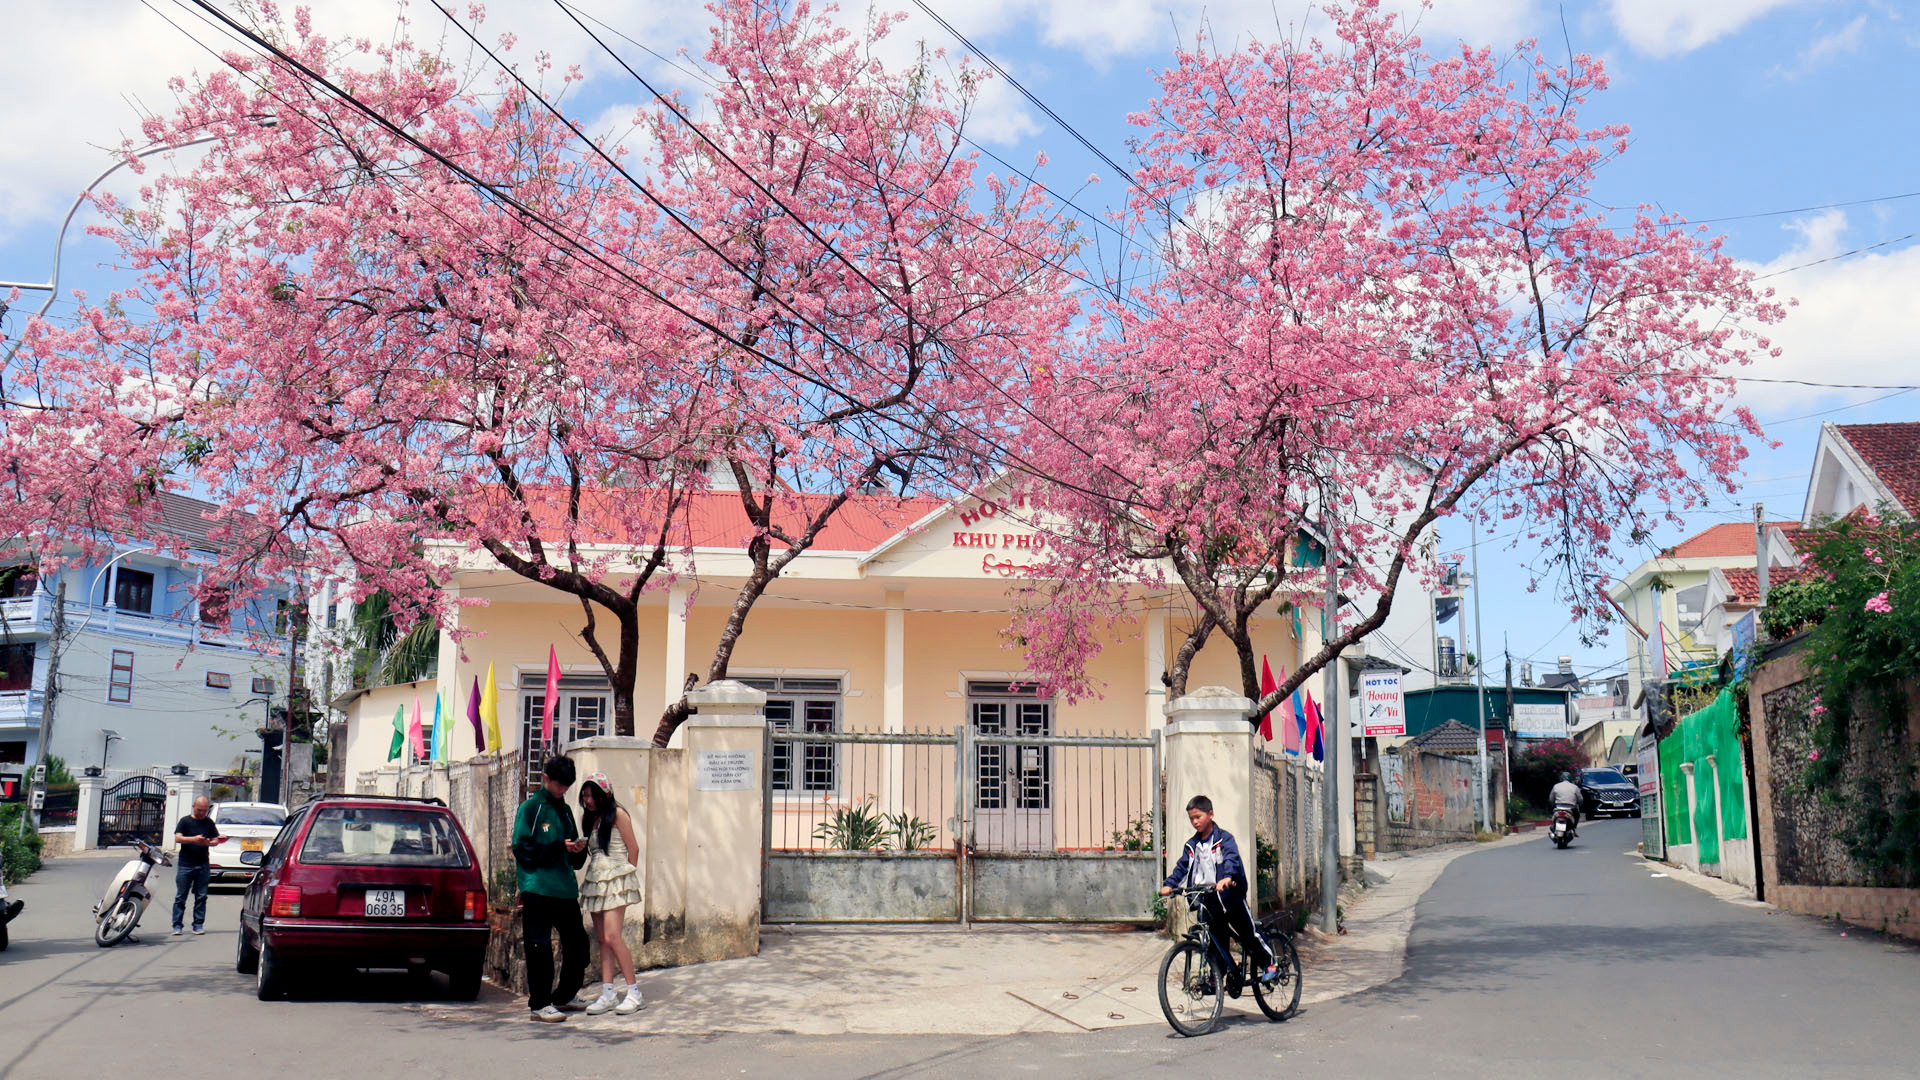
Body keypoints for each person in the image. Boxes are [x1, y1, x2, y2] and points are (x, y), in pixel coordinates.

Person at [1159, 794, 1278, 987]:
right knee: (1216, 940)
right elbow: (1182, 867)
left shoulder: (1224, 839)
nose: (1195, 822)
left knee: (1248, 933)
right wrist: (1170, 884)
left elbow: (1231, 858)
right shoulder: (1192, 845)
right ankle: (1218, 972)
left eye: (1198, 817)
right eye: (1191, 818)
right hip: (1208, 899)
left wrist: (1227, 877)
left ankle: (1269, 963)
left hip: (1230, 896)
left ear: (1211, 814)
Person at [513, 754, 591, 1023]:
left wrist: (578, 850)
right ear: (546, 779)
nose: (562, 791)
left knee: (579, 944)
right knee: (539, 946)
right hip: (537, 887)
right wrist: (559, 848)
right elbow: (521, 849)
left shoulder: (565, 810)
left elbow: (573, 858)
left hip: (564, 888)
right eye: (559, 785)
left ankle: (564, 995)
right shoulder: (530, 808)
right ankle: (540, 1004)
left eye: (567, 786)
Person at [577, 773, 645, 1016]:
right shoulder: (591, 819)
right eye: (585, 795)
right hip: (596, 881)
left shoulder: (618, 814)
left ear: (604, 794)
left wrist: (625, 878)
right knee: (603, 939)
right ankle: (608, 993)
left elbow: (633, 849)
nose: (588, 800)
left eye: (592, 795)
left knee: (613, 936)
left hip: (615, 880)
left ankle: (634, 992)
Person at [171, 796, 225, 936]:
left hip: (203, 864)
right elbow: (178, 837)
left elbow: (215, 840)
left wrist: (207, 843)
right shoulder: (185, 821)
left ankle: (198, 924)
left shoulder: (209, 822)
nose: (201, 813)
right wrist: (194, 839)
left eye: (204, 810)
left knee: (201, 896)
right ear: (193, 807)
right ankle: (177, 925)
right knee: (181, 897)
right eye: (199, 810)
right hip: (185, 864)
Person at [1550, 772, 1584, 836]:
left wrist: (1553, 804)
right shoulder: (1575, 787)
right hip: (1571, 808)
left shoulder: (1556, 786)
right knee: (1577, 815)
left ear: (1561, 778)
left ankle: (1554, 828)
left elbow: (1551, 798)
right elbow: (1580, 799)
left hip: (1558, 807)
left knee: (1553, 816)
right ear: (1570, 779)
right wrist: (1580, 804)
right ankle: (1573, 829)